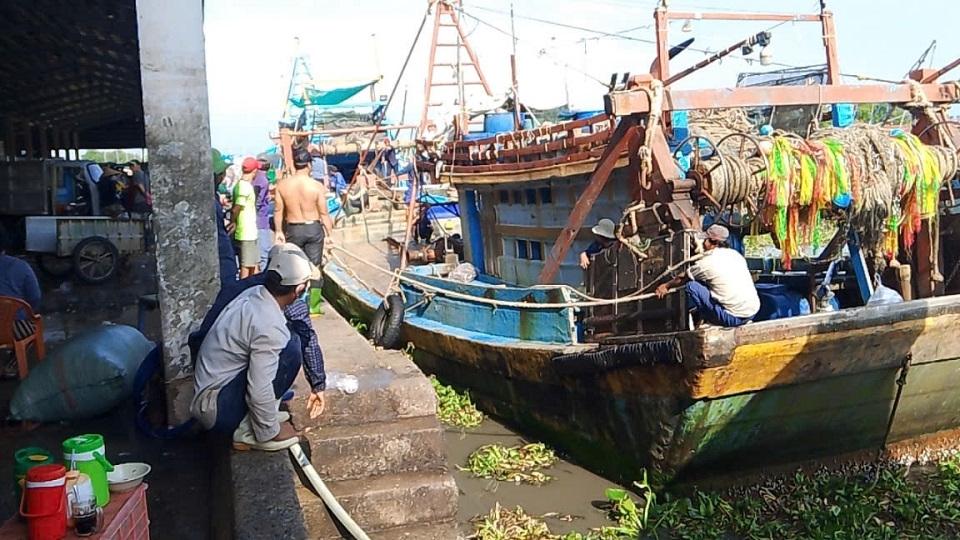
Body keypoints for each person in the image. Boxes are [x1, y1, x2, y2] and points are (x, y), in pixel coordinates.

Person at [190, 248, 321, 451]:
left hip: (209, 397)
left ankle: (258, 419)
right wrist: (272, 431)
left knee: (286, 344)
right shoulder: (270, 324)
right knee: (292, 347)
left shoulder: (253, 293)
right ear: (299, 289)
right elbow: (260, 387)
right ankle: (247, 431)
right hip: (219, 411)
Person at [655, 224, 760, 328]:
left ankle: (709, 319)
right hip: (752, 312)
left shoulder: (705, 264)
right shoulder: (736, 255)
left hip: (733, 318)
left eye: (705, 240)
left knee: (692, 286)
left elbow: (683, 278)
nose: (704, 243)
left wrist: (666, 286)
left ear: (712, 242)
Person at [274, 147, 335, 268]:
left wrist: (279, 231)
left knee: (296, 267)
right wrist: (329, 234)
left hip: (293, 229)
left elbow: (278, 211)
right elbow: (324, 213)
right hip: (313, 228)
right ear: (309, 165)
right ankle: (313, 286)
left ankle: (298, 286)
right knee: (313, 268)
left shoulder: (282, 185)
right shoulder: (316, 186)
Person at [0, 228, 42, 378]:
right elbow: (35, 297)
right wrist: (30, 313)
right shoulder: (21, 266)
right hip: (15, 327)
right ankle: (12, 366)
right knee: (33, 325)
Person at [229, 158, 261, 279]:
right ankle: (243, 290)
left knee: (254, 264)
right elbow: (237, 207)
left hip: (250, 231)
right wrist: (233, 221)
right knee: (246, 266)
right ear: (255, 171)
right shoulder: (244, 187)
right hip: (246, 232)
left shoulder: (241, 185)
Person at [212, 149, 238, 286]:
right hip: (221, 262)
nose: (223, 177)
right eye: (220, 173)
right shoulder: (208, 201)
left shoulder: (214, 196)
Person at [251, 159, 273, 272]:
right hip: (261, 221)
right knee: (264, 254)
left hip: (254, 220)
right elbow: (258, 203)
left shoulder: (253, 180)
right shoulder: (263, 181)